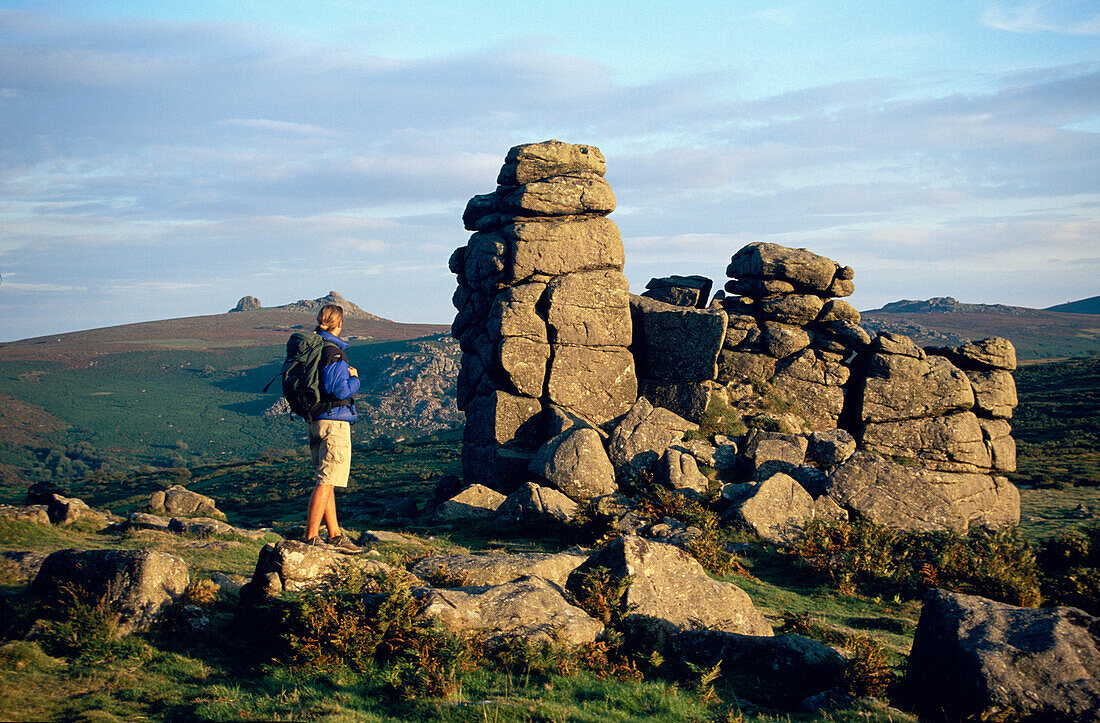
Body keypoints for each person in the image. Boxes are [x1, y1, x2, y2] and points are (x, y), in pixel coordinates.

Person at [303, 304, 362, 553]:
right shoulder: (333, 351)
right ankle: (311, 537)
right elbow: (339, 389)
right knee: (326, 482)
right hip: (334, 422)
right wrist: (355, 379)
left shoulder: (313, 349)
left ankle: (335, 534)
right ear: (339, 324)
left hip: (315, 420)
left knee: (326, 478)